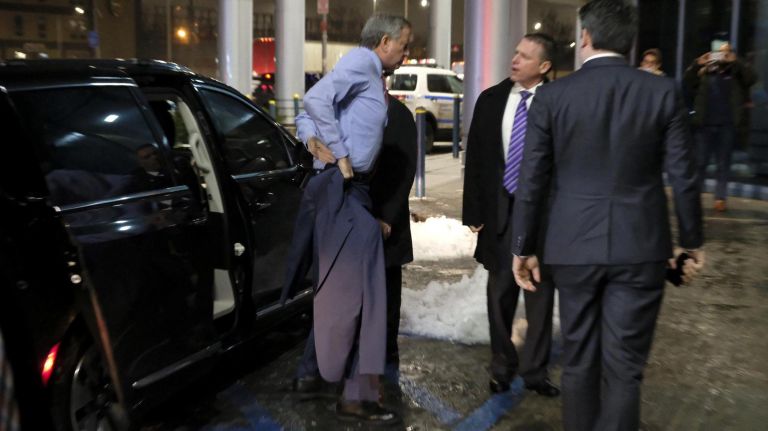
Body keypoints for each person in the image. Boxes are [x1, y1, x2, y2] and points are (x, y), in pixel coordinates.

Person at [510, 1, 705, 430]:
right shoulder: (664, 92)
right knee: (625, 368)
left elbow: (533, 180)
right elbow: (684, 176)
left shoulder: (553, 96)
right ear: (630, 41)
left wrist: (523, 247)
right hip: (641, 247)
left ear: (585, 38)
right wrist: (690, 243)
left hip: (572, 247)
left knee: (579, 360)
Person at [280, 14, 411, 426]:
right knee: (366, 298)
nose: (407, 55)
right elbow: (315, 101)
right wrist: (339, 154)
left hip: (346, 192)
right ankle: (355, 396)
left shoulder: (364, 72)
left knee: (341, 293)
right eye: (405, 46)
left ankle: (319, 378)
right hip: (345, 189)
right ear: (385, 41)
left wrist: (314, 139)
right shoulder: (361, 63)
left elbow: (310, 114)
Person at [462, 33, 560, 397]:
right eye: (515, 53)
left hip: (544, 220)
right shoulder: (490, 100)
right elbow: (476, 160)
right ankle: (502, 366)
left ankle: (536, 372)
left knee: (540, 298)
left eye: (525, 56)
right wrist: (473, 210)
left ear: (545, 66)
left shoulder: (558, 101)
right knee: (499, 294)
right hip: (501, 216)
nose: (515, 60)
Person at [684, 41, 755, 212]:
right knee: (700, 162)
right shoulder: (707, 72)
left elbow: (752, 78)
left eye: (727, 52)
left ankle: (720, 198)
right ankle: (695, 197)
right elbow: (687, 81)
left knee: (724, 163)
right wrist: (697, 64)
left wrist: (736, 61)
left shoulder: (737, 72)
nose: (722, 55)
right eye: (720, 52)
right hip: (705, 124)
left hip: (727, 125)